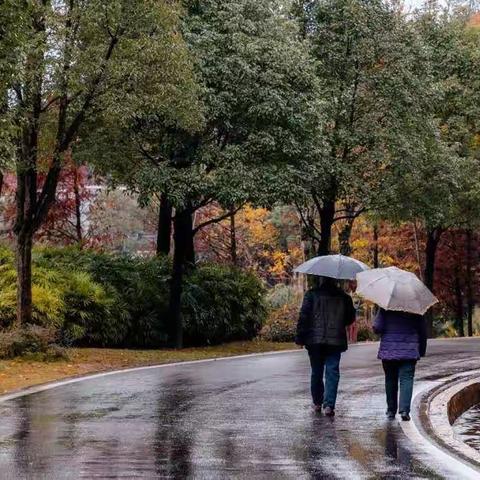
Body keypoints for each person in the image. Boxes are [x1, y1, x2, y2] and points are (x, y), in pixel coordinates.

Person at [296, 276, 356, 416]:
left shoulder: (311, 294)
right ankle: (329, 405)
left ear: (321, 279)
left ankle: (317, 402)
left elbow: (304, 316)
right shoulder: (344, 297)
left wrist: (300, 337)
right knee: (332, 371)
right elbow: (350, 319)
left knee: (316, 371)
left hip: (314, 340)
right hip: (335, 341)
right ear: (336, 280)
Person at [373, 308, 427, 421]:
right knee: (407, 379)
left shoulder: (385, 307)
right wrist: (421, 350)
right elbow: (422, 331)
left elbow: (377, 327)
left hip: (389, 351)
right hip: (409, 350)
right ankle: (404, 411)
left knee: (390, 379)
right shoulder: (415, 308)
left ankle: (391, 410)